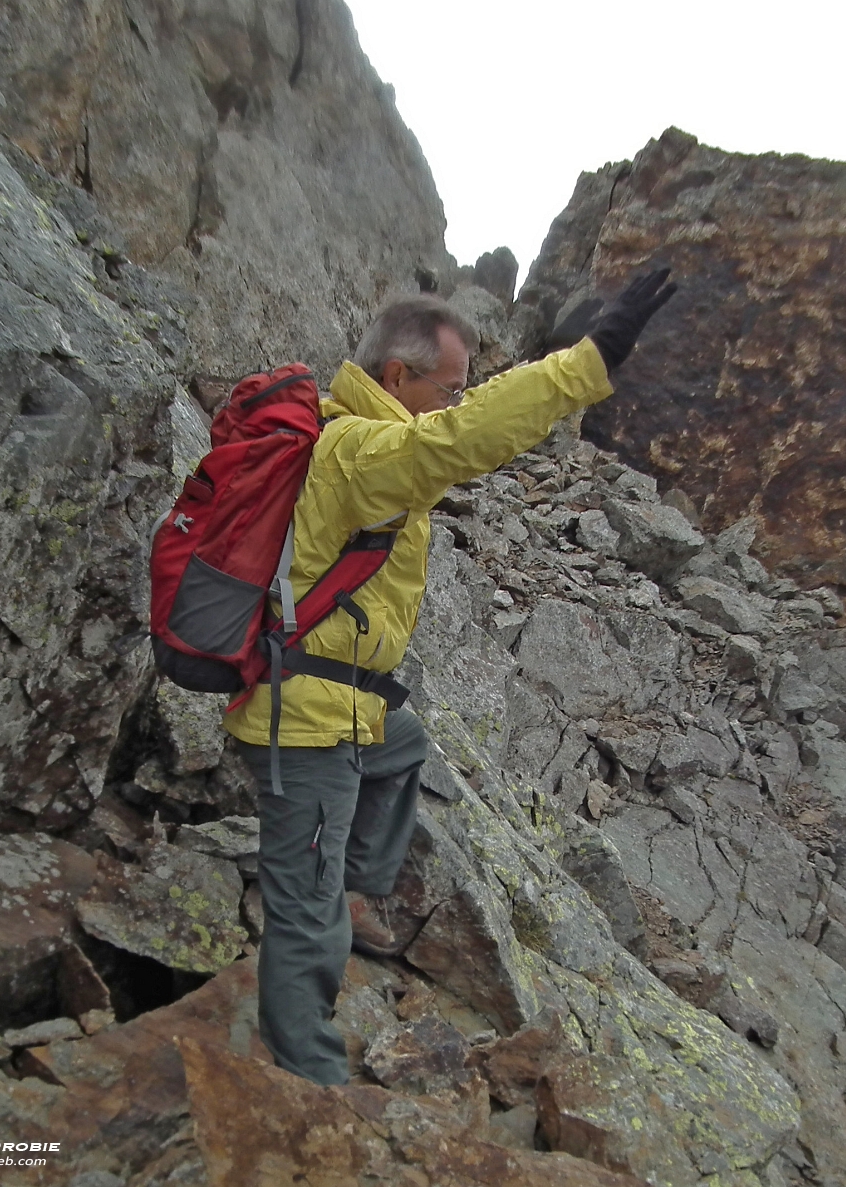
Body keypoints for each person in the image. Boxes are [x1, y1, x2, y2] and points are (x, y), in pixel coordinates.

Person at [222, 267, 677, 1085]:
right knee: (305, 918)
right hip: (308, 720)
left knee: (404, 744)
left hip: (341, 704)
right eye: (450, 385)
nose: (458, 400)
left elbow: (454, 424)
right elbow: (459, 440)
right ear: (398, 377)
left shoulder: (370, 437)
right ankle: (308, 1087)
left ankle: (344, 883)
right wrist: (584, 364)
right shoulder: (363, 448)